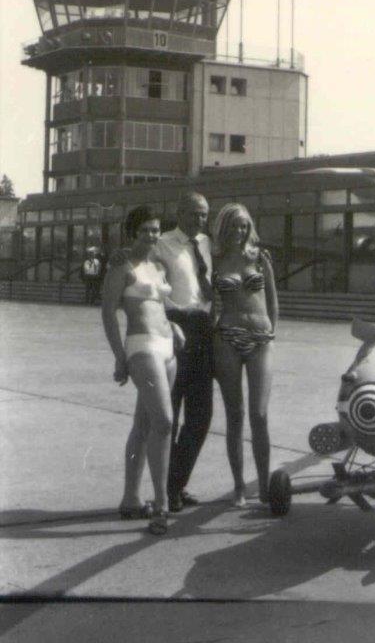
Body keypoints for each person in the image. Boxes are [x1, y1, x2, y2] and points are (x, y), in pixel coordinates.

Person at [101, 206, 184, 535]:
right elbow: (108, 312)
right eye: (145, 230)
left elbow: (160, 305)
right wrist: (119, 357)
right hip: (142, 346)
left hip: (167, 348)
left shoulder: (158, 266)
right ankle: (161, 504)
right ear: (132, 232)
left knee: (144, 424)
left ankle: (131, 499)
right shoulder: (121, 266)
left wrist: (174, 326)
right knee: (164, 422)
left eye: (155, 229)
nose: (151, 235)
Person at [212, 203, 278, 506]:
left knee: (259, 414)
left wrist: (272, 331)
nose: (239, 231)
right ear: (224, 228)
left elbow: (272, 300)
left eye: (244, 226)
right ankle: (239, 486)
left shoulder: (260, 258)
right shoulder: (215, 260)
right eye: (234, 226)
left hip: (261, 338)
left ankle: (264, 486)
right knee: (235, 415)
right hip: (227, 337)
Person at [157, 192, 214, 513]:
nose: (199, 220)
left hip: (204, 332)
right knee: (171, 414)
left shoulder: (207, 244)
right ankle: (169, 489)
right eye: (194, 213)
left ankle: (175, 483)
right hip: (175, 329)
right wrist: (178, 314)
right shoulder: (162, 244)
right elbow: (154, 290)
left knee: (201, 416)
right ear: (179, 213)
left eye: (204, 214)